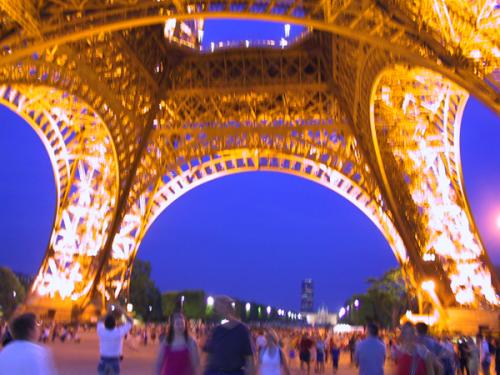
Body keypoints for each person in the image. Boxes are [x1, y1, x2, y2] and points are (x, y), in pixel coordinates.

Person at [203, 296, 255, 375]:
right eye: (218, 307)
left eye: (221, 307)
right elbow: (208, 355)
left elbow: (249, 358)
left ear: (229, 308)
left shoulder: (242, 330)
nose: (218, 310)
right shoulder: (216, 330)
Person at [97, 304, 133, 375]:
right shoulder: (119, 332)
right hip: (115, 361)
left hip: (103, 360)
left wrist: (109, 312)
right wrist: (121, 311)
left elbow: (100, 320)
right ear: (115, 324)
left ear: (105, 324)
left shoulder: (101, 331)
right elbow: (130, 322)